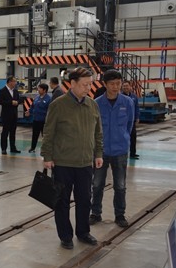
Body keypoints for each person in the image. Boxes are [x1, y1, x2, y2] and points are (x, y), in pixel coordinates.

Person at [41, 67, 103, 250]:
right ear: (73, 83)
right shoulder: (58, 105)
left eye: (90, 84)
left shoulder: (92, 105)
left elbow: (98, 133)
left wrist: (98, 153)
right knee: (62, 202)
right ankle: (65, 236)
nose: (88, 88)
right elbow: (48, 132)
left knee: (84, 200)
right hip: (63, 163)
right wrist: (47, 156)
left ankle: (83, 232)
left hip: (85, 163)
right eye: (85, 85)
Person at [90, 70, 135, 228]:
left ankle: (120, 215)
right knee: (97, 184)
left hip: (120, 150)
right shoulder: (96, 103)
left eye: (118, 83)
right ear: (105, 84)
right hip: (101, 152)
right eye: (112, 84)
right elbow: (94, 128)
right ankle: (95, 213)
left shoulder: (127, 102)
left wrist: (123, 139)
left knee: (120, 185)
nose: (116, 87)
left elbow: (129, 125)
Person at [0, 76, 23, 154]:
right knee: (5, 132)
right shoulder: (2, 91)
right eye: (14, 81)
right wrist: (11, 102)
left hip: (14, 115)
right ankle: (3, 149)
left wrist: (17, 102)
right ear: (9, 82)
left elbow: (19, 99)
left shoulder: (15, 91)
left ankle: (13, 148)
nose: (15, 83)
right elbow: (0, 101)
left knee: (13, 132)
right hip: (6, 115)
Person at [26, 83, 52, 153]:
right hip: (36, 120)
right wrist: (29, 112)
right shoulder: (37, 98)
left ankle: (46, 149)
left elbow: (50, 110)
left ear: (44, 90)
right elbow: (32, 106)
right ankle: (32, 148)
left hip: (44, 121)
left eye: (40, 88)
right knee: (35, 135)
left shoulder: (49, 99)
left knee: (45, 136)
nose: (38, 90)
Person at [122, 80, 140, 159]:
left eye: (127, 86)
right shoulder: (120, 97)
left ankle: (133, 153)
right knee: (122, 137)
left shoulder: (134, 97)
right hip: (123, 121)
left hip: (132, 120)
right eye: (124, 86)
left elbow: (137, 107)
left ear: (130, 87)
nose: (125, 87)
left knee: (133, 137)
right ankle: (122, 153)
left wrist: (137, 117)